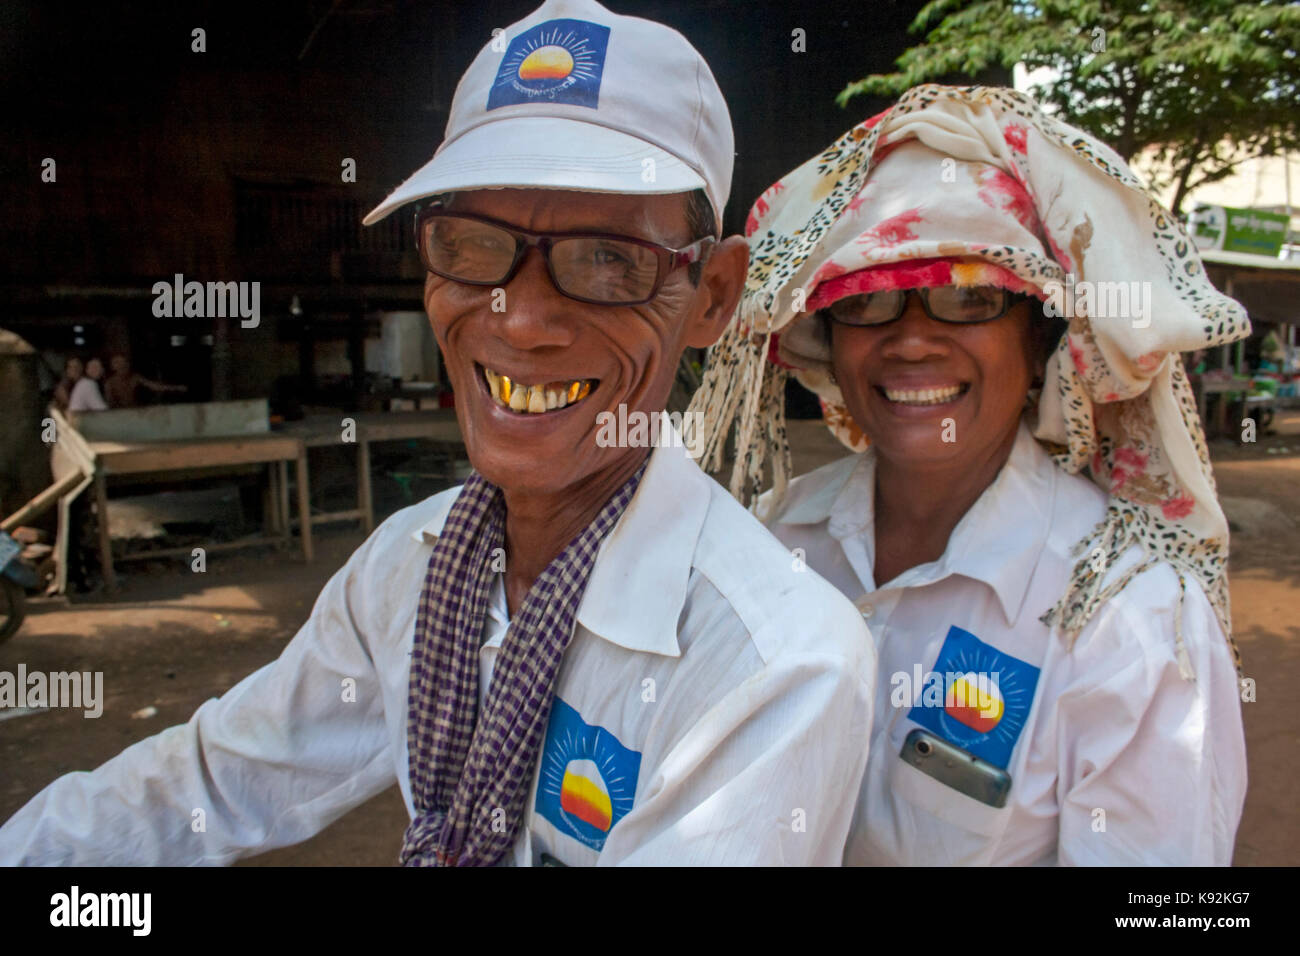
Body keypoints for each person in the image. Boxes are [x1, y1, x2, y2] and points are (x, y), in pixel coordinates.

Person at [0, 0, 873, 867]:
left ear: (712, 297)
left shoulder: (775, 669)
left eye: (609, 258)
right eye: (473, 244)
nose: (522, 318)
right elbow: (216, 782)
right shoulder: (412, 567)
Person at [689, 85, 1249, 865]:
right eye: (871, 302)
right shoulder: (777, 540)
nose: (912, 341)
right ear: (828, 339)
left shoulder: (1131, 610)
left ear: (1039, 345)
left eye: (969, 299)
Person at [103, 353, 187, 408]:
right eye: (117, 363)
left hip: (136, 410)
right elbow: (110, 404)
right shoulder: (110, 383)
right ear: (112, 367)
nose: (122, 366)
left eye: (124, 362)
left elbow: (154, 386)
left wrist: (176, 388)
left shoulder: (135, 377)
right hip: (120, 414)